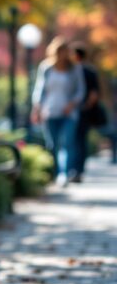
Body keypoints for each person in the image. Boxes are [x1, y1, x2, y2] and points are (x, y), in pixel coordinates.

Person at [31, 37, 85, 186]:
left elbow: (80, 91)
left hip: (69, 113)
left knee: (67, 143)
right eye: (59, 51)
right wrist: (37, 108)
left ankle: (65, 174)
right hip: (50, 111)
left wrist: (72, 104)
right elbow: (39, 90)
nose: (62, 55)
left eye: (65, 51)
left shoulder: (75, 68)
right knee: (53, 145)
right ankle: (55, 173)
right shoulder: (46, 68)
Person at [71, 44, 100, 182]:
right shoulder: (90, 70)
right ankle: (78, 170)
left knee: (74, 140)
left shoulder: (74, 70)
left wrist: (83, 106)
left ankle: (74, 170)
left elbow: (93, 94)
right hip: (83, 111)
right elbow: (94, 94)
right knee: (81, 141)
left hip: (76, 111)